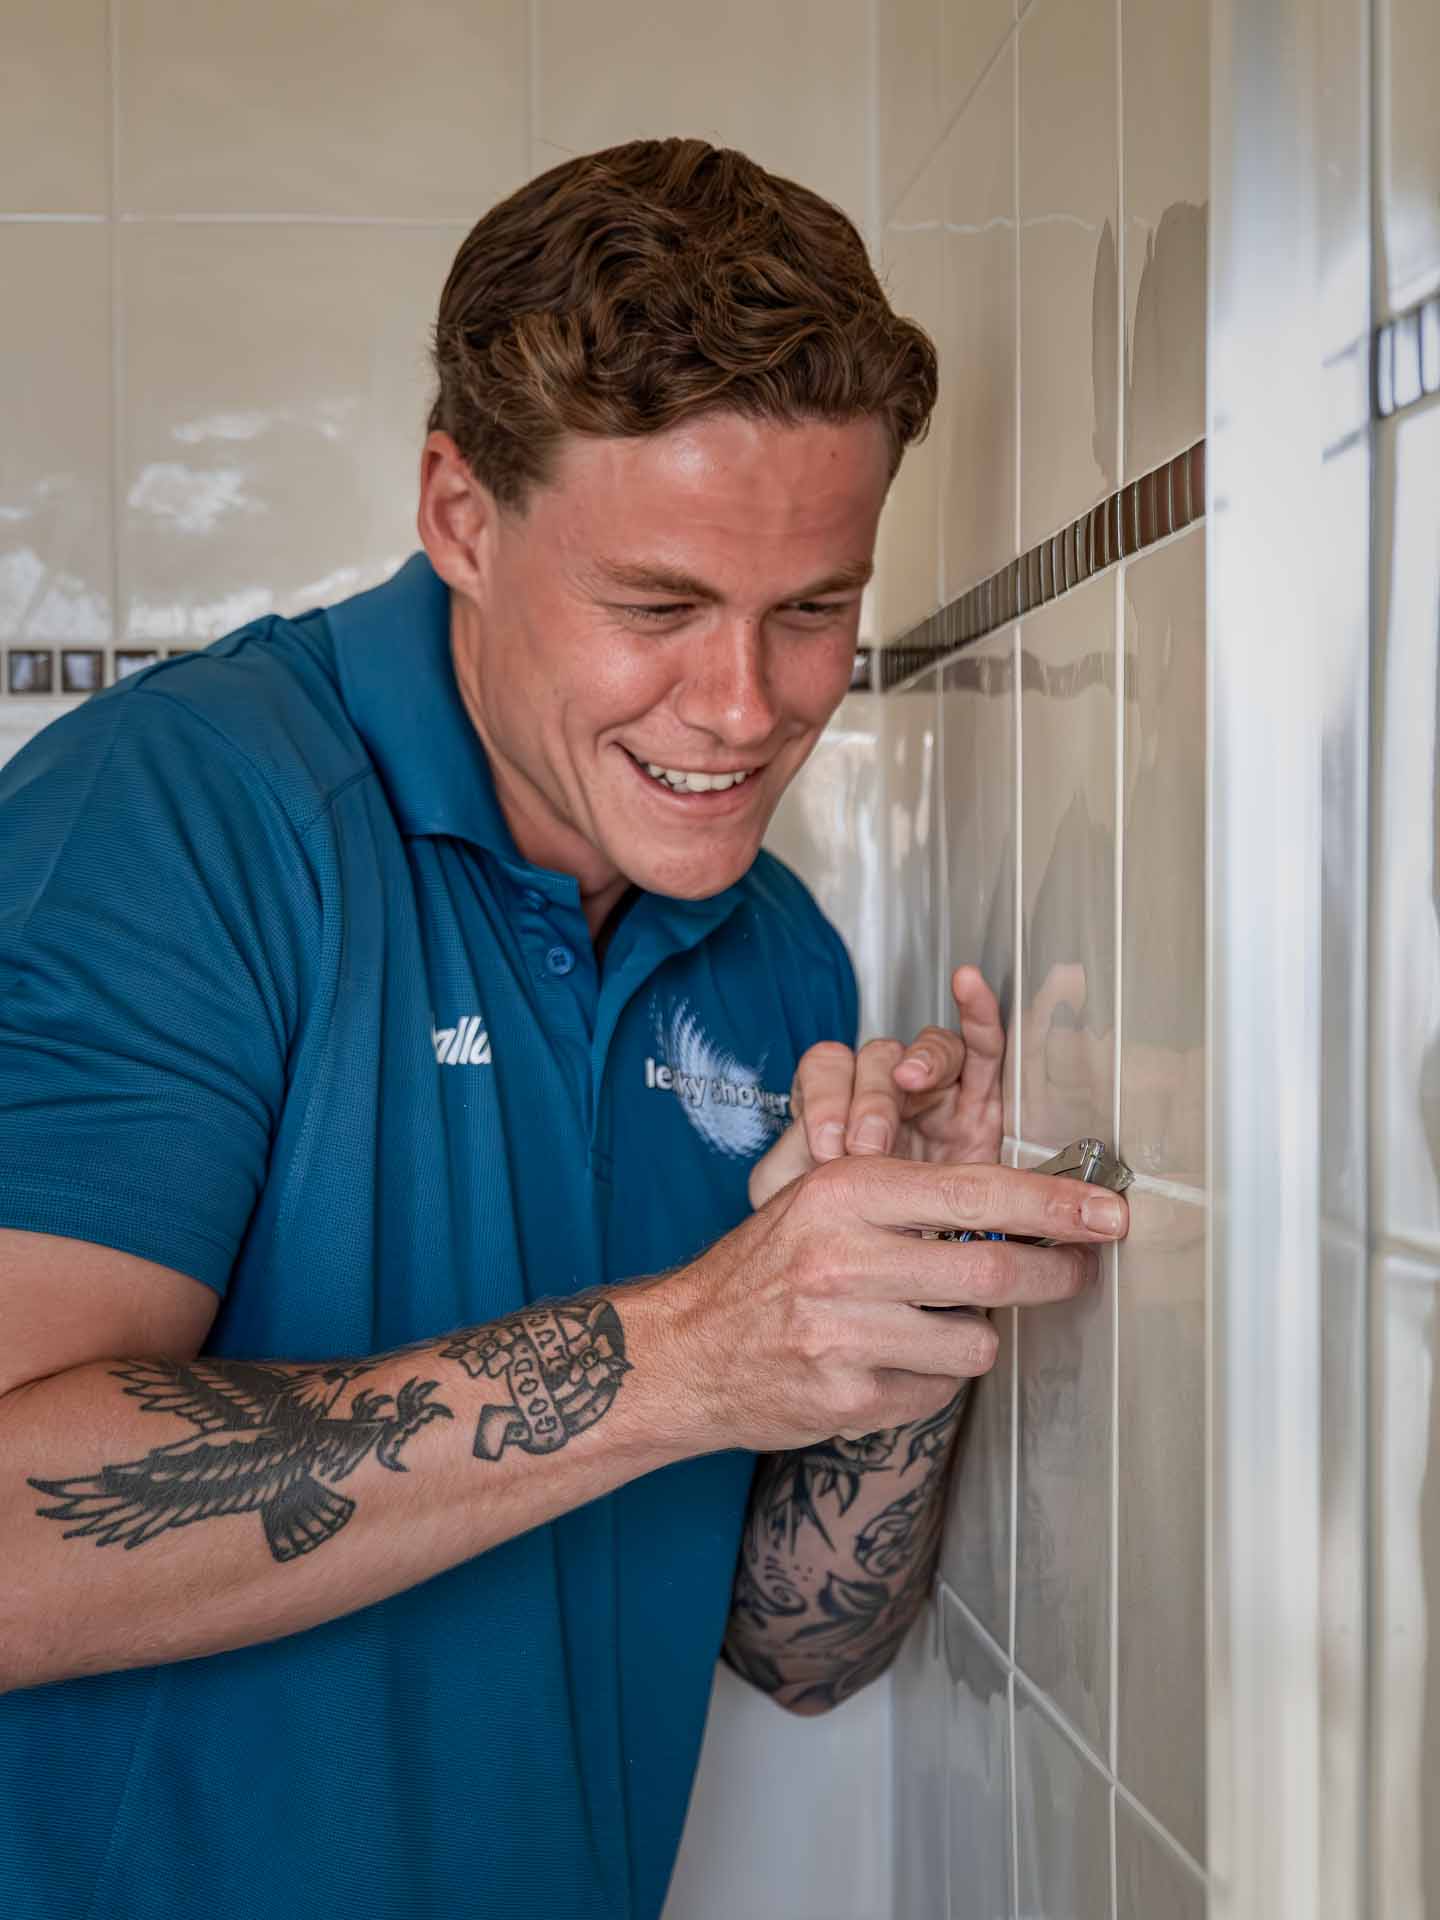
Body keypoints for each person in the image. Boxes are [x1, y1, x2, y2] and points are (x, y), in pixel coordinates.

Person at [0, 138, 1127, 1920]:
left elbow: (796, 1648)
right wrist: (687, 1350)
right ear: (460, 515)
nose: (746, 705)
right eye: (657, 606)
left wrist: (901, 1313)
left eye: (814, 610)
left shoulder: (776, 957)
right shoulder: (174, 825)